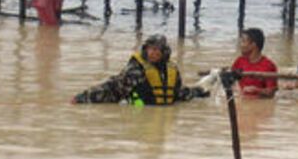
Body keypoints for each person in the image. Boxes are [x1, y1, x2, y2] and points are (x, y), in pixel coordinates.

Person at [73, 33, 207, 105]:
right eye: (150, 49)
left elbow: (178, 93)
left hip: (162, 118)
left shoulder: (172, 69)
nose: (152, 53)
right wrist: (83, 98)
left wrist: (199, 92)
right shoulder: (136, 70)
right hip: (139, 116)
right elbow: (113, 88)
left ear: (164, 52)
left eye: (156, 50)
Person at [230, 27, 278, 97]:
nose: (240, 45)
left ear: (253, 45)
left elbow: (271, 93)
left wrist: (257, 90)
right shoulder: (239, 61)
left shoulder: (269, 66)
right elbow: (231, 82)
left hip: (259, 102)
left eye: (243, 41)